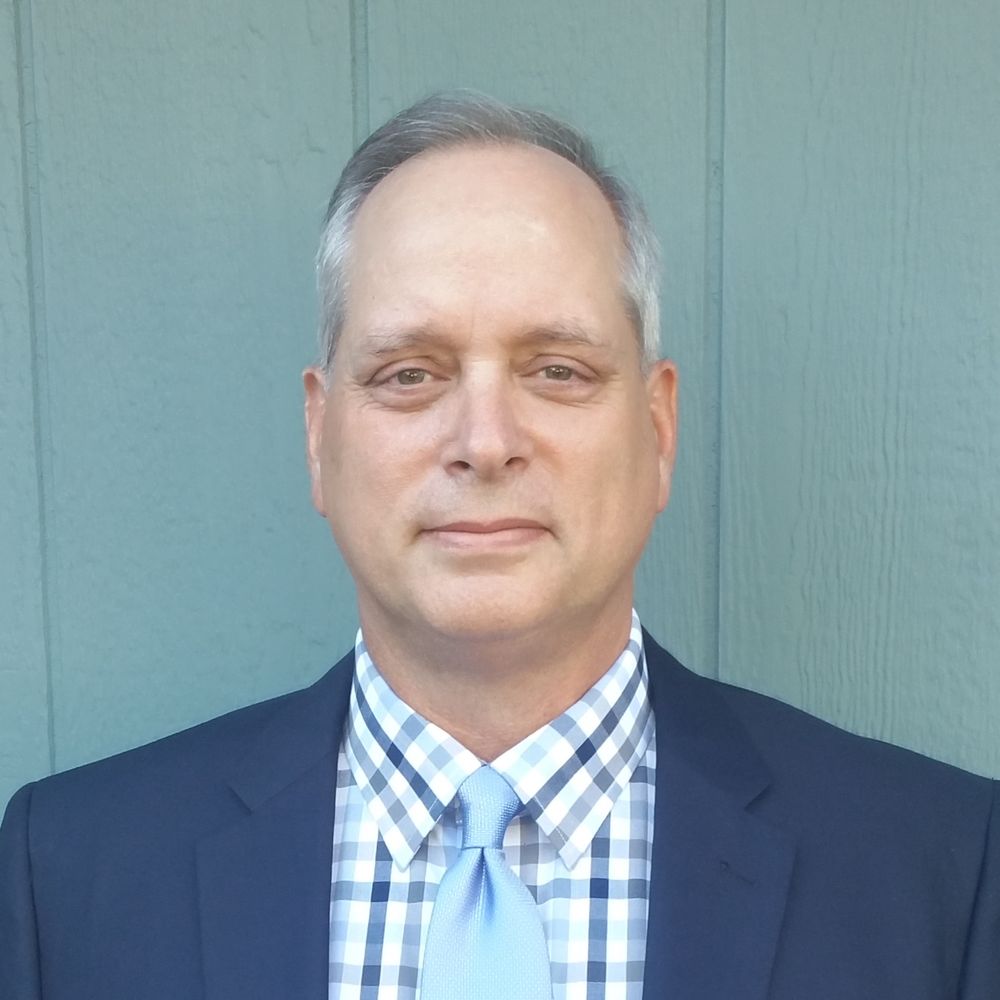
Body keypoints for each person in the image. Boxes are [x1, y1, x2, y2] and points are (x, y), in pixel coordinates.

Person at [1, 92, 997, 1000]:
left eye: (557, 369)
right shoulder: (74, 876)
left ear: (657, 431)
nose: (484, 442)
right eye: (409, 373)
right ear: (319, 437)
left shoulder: (937, 872)